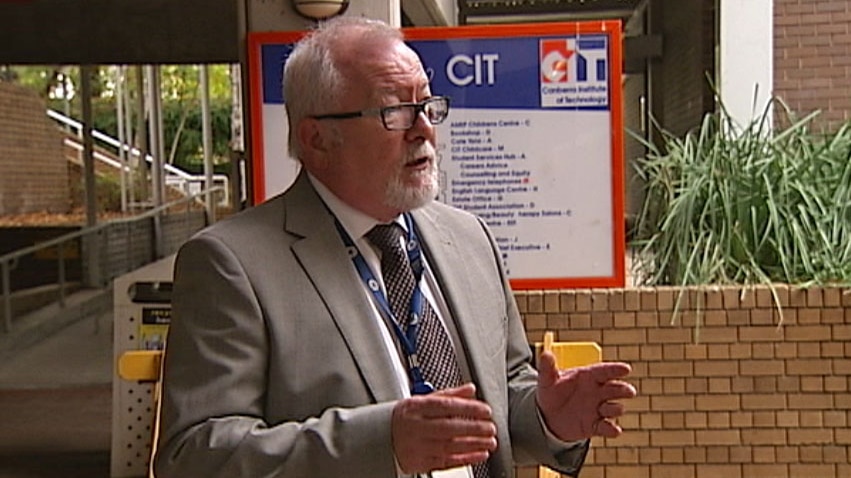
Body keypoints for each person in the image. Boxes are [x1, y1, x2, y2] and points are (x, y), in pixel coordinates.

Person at [153, 16, 636, 478]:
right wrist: (381, 443)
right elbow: (195, 455)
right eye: (393, 111)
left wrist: (549, 418)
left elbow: (502, 393)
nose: (423, 127)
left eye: (427, 104)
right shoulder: (232, 264)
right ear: (317, 138)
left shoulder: (469, 238)